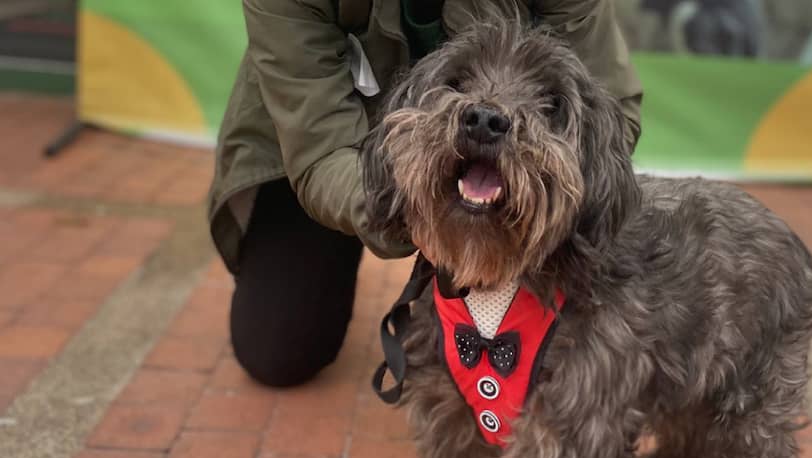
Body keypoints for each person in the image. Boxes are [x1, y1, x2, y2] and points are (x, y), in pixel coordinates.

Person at [208, 0, 643, 388]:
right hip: (327, 138)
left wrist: (548, 215)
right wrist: (417, 213)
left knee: (566, 320)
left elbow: (609, 112)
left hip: (508, 146)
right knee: (278, 349)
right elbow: (321, 150)